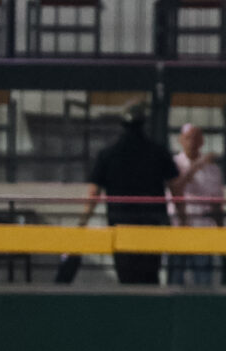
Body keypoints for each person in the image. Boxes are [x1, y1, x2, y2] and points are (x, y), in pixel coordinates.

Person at [78, 100, 188, 285]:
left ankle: (130, 310)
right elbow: (175, 188)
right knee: (150, 274)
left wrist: (83, 222)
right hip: (152, 223)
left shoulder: (107, 154)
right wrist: (183, 219)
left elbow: (94, 193)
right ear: (143, 123)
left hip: (120, 222)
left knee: (126, 276)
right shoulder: (158, 151)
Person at [167, 123, 224, 286]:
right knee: (175, 279)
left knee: (204, 279)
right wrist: (196, 166)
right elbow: (176, 187)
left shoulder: (212, 169)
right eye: (187, 138)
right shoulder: (174, 164)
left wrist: (220, 230)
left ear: (202, 142)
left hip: (203, 228)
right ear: (180, 140)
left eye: (195, 138)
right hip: (178, 227)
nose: (191, 142)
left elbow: (216, 202)